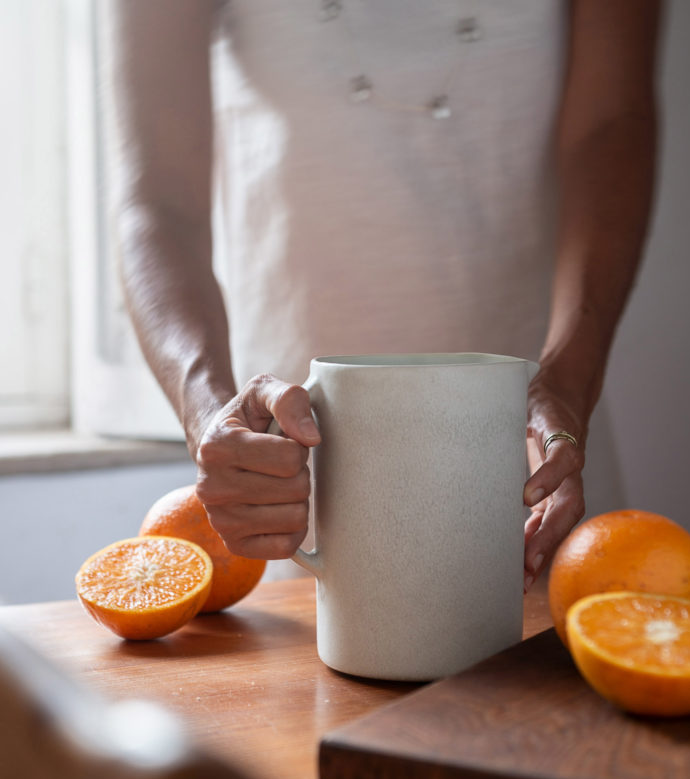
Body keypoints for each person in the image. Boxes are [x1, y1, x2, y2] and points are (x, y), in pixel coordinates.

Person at [106, 0, 661, 589]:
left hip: (537, 445)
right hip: (292, 478)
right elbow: (157, 203)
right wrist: (210, 416)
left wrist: (569, 382)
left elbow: (611, 127)